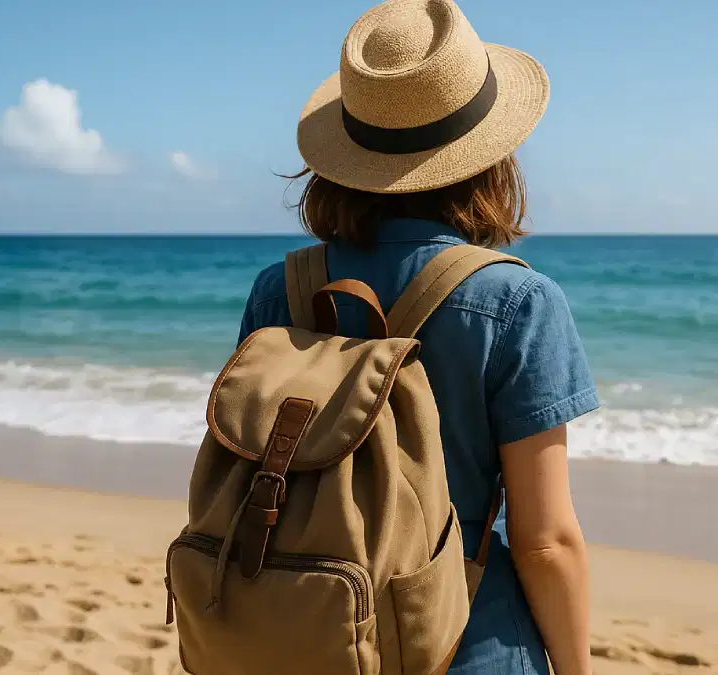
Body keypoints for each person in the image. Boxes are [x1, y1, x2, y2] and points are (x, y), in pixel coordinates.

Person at [236, 1, 599, 673]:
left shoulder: (279, 289)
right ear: (490, 155)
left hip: (304, 633)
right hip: (467, 643)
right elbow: (546, 540)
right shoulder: (518, 301)